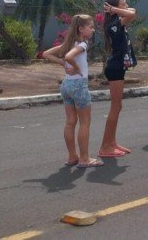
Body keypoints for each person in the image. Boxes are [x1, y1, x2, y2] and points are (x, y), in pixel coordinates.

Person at [42, 14, 103, 169]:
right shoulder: (82, 44)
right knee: (85, 122)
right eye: (90, 27)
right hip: (79, 86)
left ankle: (72, 156)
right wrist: (74, 67)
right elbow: (69, 56)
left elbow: (46, 54)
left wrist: (63, 64)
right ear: (81, 29)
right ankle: (84, 158)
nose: (93, 30)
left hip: (66, 85)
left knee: (70, 122)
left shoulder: (69, 43)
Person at [98, 0, 136, 158]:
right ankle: (105, 147)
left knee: (118, 106)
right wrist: (113, 10)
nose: (127, 4)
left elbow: (132, 11)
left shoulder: (118, 20)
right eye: (123, 3)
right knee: (115, 107)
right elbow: (132, 14)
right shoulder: (114, 24)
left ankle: (112, 143)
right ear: (114, 8)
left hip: (118, 67)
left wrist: (115, 9)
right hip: (114, 68)